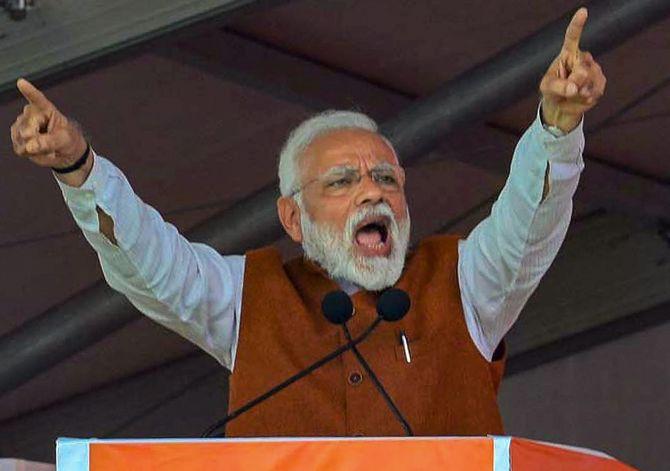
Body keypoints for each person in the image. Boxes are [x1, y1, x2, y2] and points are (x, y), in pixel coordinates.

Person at [10, 8, 605, 437]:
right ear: (292, 218)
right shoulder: (247, 299)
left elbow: (534, 219)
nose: (372, 190)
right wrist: (79, 168)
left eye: (387, 179)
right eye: (343, 182)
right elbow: (149, 266)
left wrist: (557, 123)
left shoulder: (467, 284)